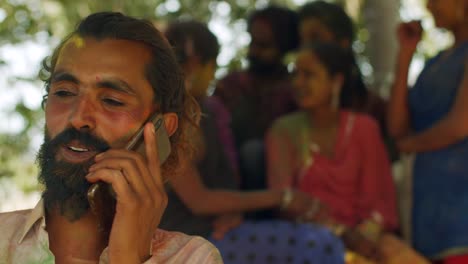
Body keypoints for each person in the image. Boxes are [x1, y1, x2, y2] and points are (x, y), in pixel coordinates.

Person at [0, 12, 223, 263]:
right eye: (63, 93)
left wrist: (128, 256)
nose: (78, 118)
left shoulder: (192, 257)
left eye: (111, 101)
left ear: (160, 128)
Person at [162, 20, 345, 264]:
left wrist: (234, 210)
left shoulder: (204, 112)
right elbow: (199, 201)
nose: (214, 76)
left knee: (323, 241)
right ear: (197, 65)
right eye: (212, 67)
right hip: (186, 241)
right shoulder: (170, 120)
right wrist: (282, 196)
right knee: (317, 244)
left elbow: (219, 188)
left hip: (216, 230)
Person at [266, 42, 400, 261]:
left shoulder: (364, 128)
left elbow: (380, 203)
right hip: (307, 241)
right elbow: (285, 203)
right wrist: (340, 233)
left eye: (308, 75)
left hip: (367, 240)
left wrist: (363, 237)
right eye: (295, 74)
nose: (298, 83)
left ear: (336, 81)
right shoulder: (283, 131)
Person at [387, 0, 468, 262]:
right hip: (424, 213)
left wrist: (410, 146)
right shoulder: (435, 63)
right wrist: (406, 53)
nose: (429, 6)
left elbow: (460, 124)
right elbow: (397, 128)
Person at [296, 1, 399, 161]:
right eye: (302, 40)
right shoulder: (290, 109)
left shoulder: (374, 111)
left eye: (315, 38)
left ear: (343, 43)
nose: (306, 47)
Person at [214, 5, 299, 193]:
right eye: (253, 42)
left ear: (283, 47)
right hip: (227, 185)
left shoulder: (296, 91)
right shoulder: (229, 86)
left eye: (264, 45)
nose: (254, 51)